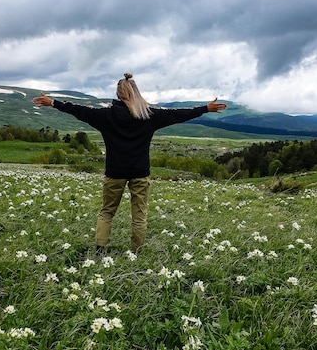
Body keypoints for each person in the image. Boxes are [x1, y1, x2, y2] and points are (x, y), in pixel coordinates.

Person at [32, 73, 227, 254]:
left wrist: (53, 103)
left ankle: (100, 251)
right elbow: (177, 114)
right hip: (140, 172)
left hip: (114, 172)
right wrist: (205, 109)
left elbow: (78, 110)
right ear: (136, 92)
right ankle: (136, 252)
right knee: (139, 215)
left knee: (107, 212)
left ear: (117, 94)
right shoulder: (148, 115)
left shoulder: (105, 116)